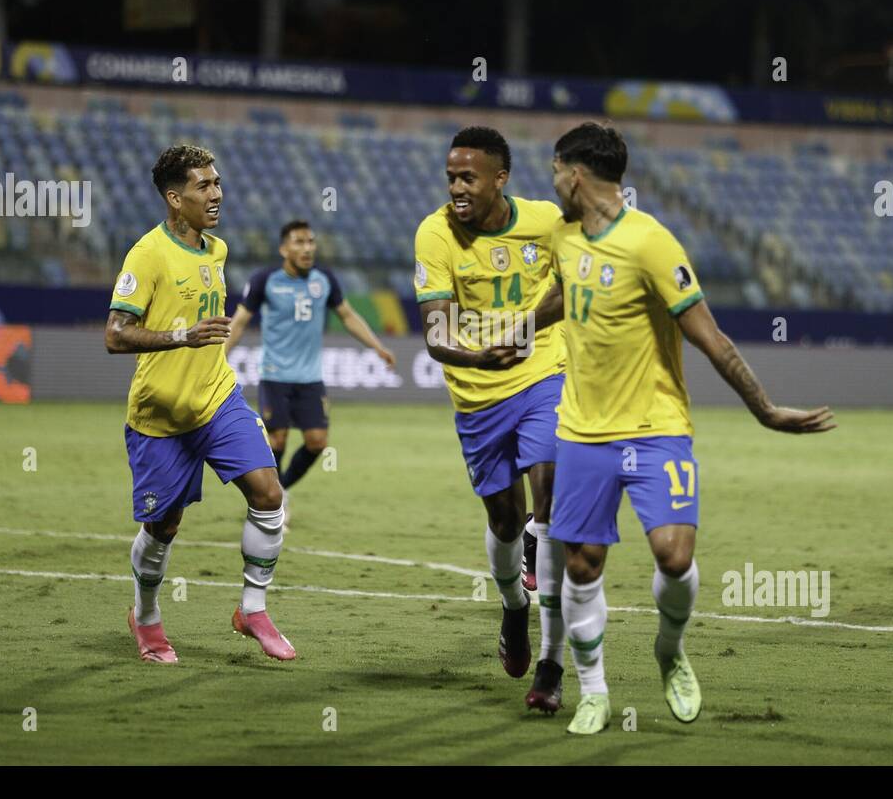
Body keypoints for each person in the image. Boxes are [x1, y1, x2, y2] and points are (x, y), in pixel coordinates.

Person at [535, 122, 835, 735]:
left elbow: (711, 338)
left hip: (656, 427)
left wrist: (765, 409)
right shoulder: (563, 239)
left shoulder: (651, 244)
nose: (553, 184)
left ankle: (669, 649)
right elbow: (569, 297)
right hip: (583, 432)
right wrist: (514, 324)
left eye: (555, 172)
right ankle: (593, 690)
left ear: (576, 173)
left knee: (674, 557)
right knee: (582, 566)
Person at [105, 144, 294, 663]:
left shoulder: (217, 250)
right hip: (160, 415)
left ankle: (252, 609)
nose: (217, 194)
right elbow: (115, 336)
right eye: (204, 186)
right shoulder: (147, 255)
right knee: (163, 528)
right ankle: (145, 616)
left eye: (217, 183)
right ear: (174, 197)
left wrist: (198, 342)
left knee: (269, 494)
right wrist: (180, 336)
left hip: (217, 398)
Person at [413, 125, 568, 712]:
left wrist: (525, 330)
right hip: (477, 396)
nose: (457, 186)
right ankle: (512, 607)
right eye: (451, 175)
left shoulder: (546, 221)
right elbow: (434, 332)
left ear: (500, 178)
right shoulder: (435, 233)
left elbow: (575, 284)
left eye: (468, 177)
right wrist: (481, 353)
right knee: (505, 521)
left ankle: (552, 666)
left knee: (548, 502)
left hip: (542, 379)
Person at [224, 220, 395, 499]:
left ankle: (280, 489)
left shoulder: (324, 279)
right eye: (299, 242)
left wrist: (377, 347)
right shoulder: (264, 280)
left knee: (317, 442)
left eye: (310, 242)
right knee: (277, 439)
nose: (307, 248)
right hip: (274, 374)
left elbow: (348, 316)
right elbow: (240, 321)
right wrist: (219, 357)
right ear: (283, 249)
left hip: (310, 378)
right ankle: (272, 502)